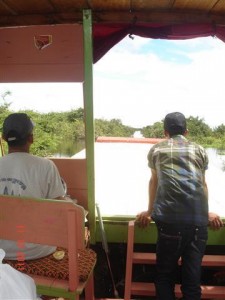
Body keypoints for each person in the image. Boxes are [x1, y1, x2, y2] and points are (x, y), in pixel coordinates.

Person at [136, 112, 223, 300]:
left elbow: (155, 181)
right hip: (198, 224)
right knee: (192, 282)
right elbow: (201, 184)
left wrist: (149, 211)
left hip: (169, 223)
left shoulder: (157, 150)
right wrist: (205, 212)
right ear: (187, 131)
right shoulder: (199, 150)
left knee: (165, 277)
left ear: (165, 132)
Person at [0, 113, 67, 260]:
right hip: (38, 251)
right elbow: (60, 210)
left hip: (1, 251)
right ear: (31, 138)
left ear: (4, 138)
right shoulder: (46, 166)